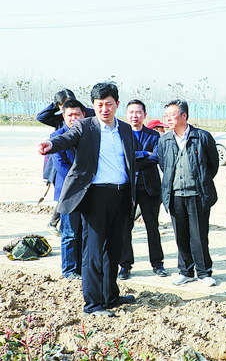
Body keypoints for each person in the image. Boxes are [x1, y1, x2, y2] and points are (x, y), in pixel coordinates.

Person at [38, 82, 136, 317]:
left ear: (117, 104)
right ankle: (92, 304)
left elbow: (130, 160)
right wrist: (51, 144)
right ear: (93, 105)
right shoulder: (84, 126)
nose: (104, 109)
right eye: (99, 105)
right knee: (93, 252)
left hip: (121, 195)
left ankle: (110, 295)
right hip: (95, 196)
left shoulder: (124, 129)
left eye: (109, 104)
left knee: (113, 249)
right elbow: (66, 139)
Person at [156, 100, 219, 286]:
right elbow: (164, 165)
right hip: (175, 195)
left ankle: (204, 272)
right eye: (166, 115)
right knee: (181, 236)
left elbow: (213, 165)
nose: (168, 119)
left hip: (197, 194)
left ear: (184, 116)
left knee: (199, 236)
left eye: (172, 115)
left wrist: (201, 181)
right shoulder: (164, 140)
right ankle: (186, 271)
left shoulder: (202, 137)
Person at [118, 100, 167, 280]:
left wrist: (134, 158)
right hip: (127, 188)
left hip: (149, 188)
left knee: (152, 227)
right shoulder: (121, 134)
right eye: (131, 112)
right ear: (126, 114)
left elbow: (157, 157)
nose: (135, 116)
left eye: (138, 112)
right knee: (125, 228)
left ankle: (157, 263)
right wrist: (144, 153)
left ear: (144, 115)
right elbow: (121, 157)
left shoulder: (154, 135)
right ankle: (125, 265)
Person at [37, 89, 94, 236]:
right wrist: (55, 105)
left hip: (82, 165)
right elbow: (41, 116)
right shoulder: (58, 120)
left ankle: (55, 222)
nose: (73, 117)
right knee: (64, 192)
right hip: (59, 157)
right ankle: (54, 222)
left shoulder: (84, 114)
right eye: (63, 106)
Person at [50, 99, 86, 280]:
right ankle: (70, 270)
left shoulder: (90, 134)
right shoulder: (57, 137)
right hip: (68, 193)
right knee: (70, 233)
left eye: (77, 114)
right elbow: (62, 168)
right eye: (69, 115)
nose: (74, 118)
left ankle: (83, 268)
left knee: (85, 233)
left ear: (84, 115)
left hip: (89, 192)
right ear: (63, 116)